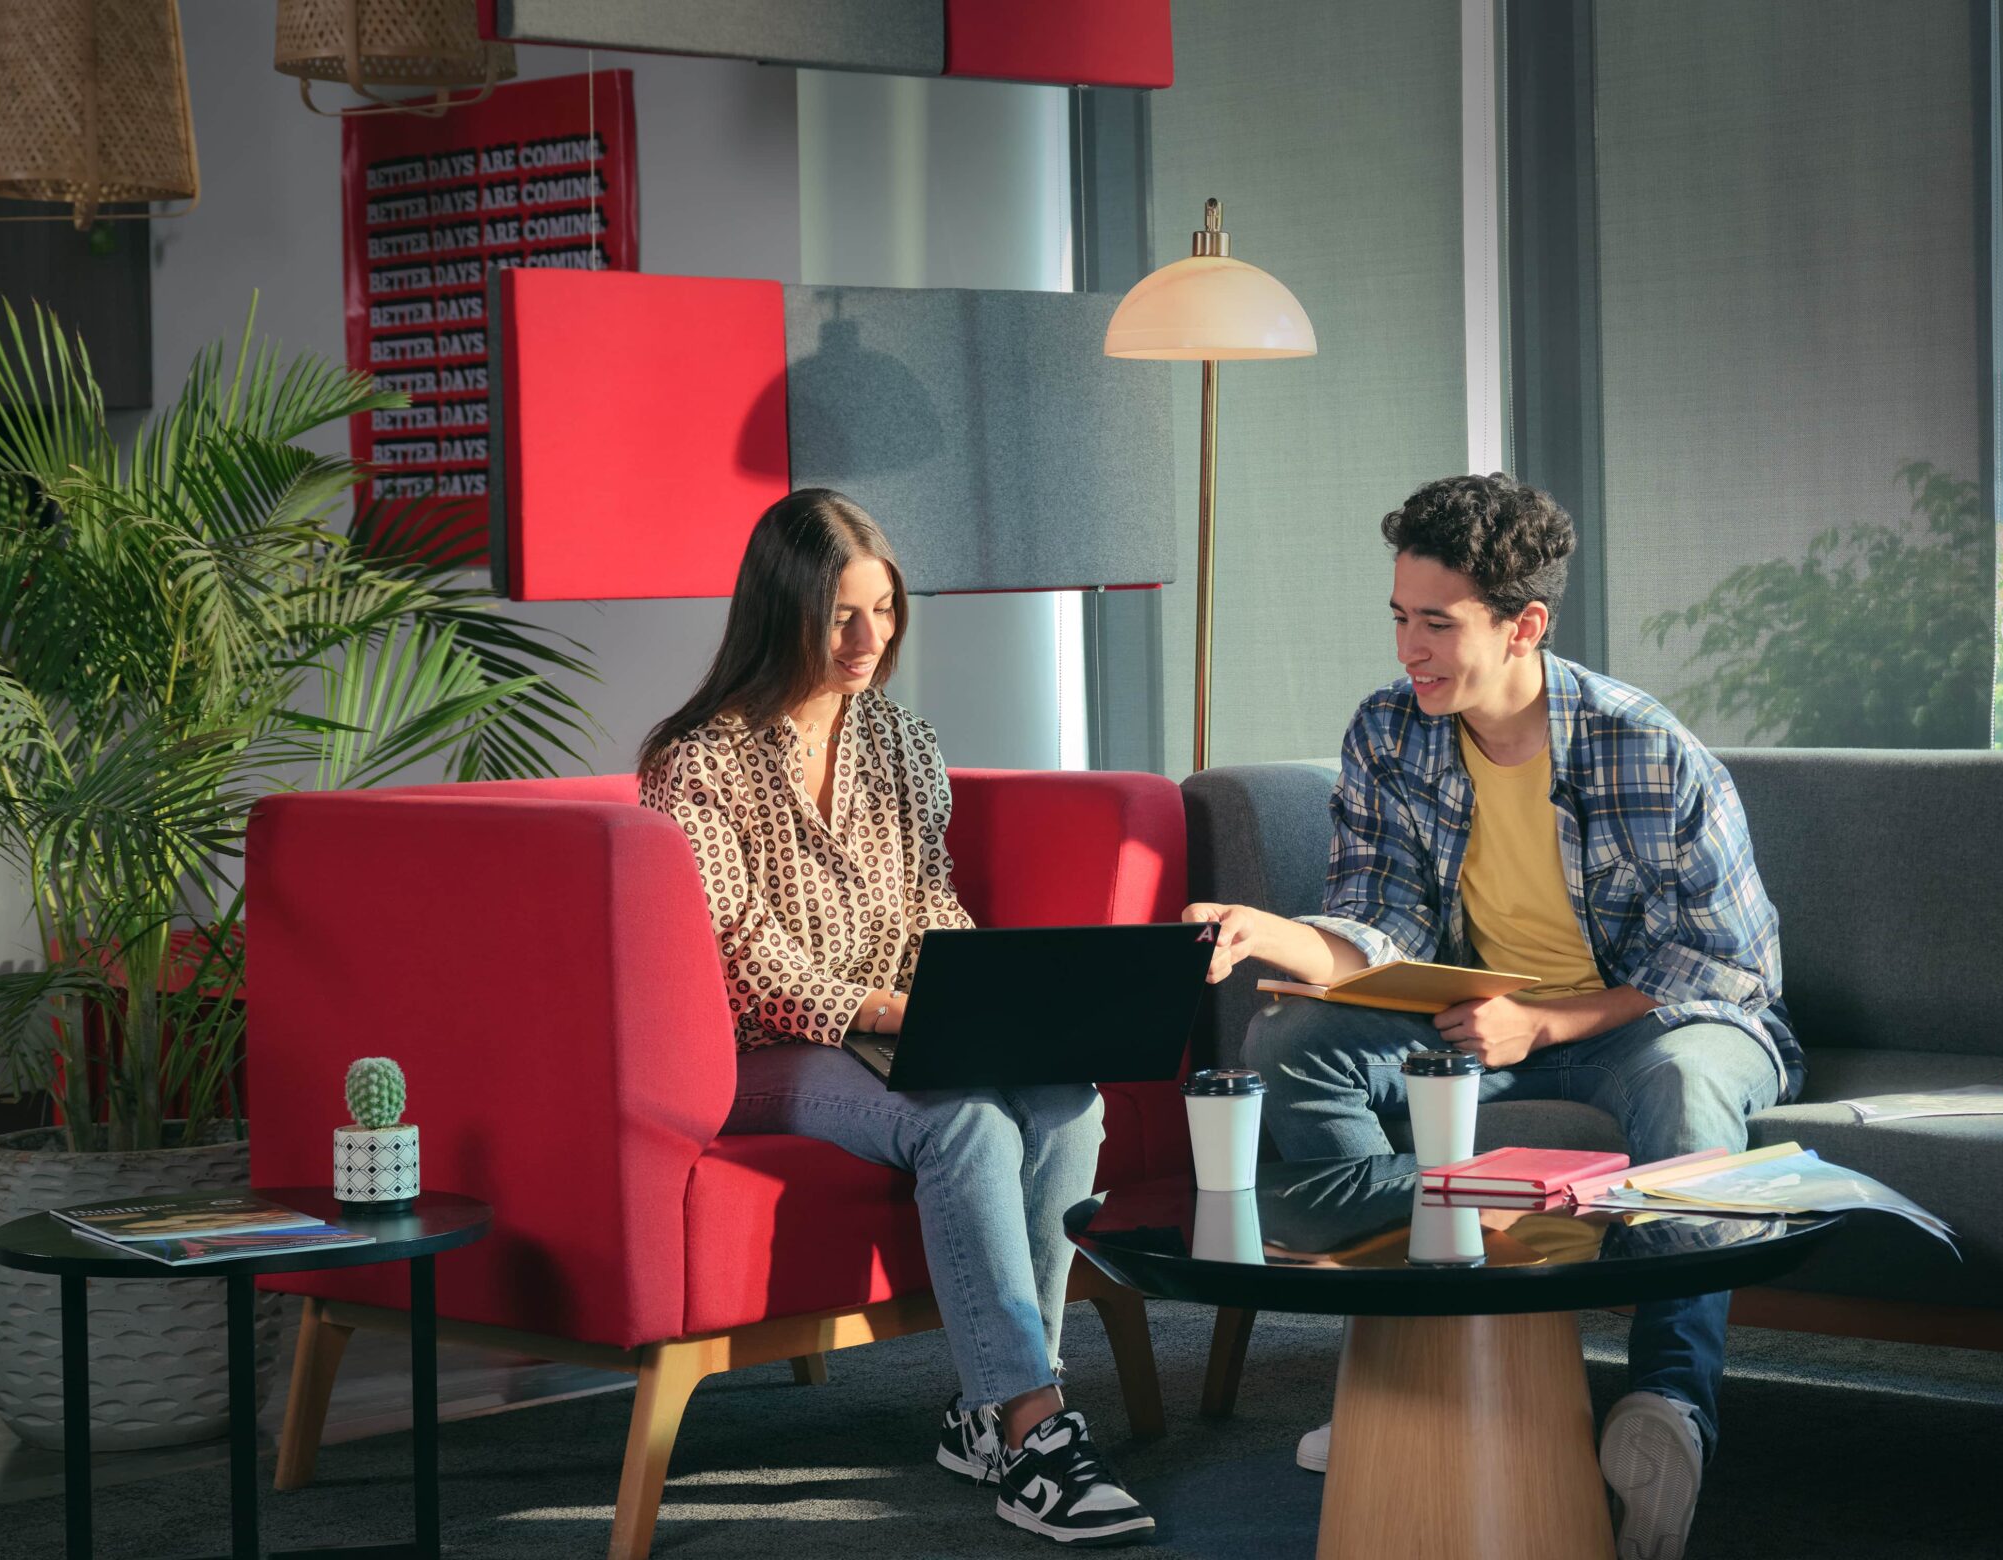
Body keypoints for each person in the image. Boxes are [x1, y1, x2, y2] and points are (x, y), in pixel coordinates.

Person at [1183, 472, 1799, 1560]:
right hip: (1475, 1025)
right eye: (1398, 619)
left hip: (1652, 1024)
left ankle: (1669, 1411)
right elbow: (1378, 926)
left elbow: (1728, 966)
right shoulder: (1388, 734)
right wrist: (1274, 934)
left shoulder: (1640, 747)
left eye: (1437, 623)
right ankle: (1414, 1360)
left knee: (1686, 1086)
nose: (1408, 649)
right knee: (1290, 1040)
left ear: (1525, 626)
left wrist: (1547, 1023)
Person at [638, 488, 1154, 1548]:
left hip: (892, 1023)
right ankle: (1032, 1428)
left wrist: (985, 997)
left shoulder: (900, 744)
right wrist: (886, 1009)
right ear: (780, 612)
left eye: (882, 610)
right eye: (840, 616)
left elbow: (928, 904)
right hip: (763, 1051)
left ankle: (993, 1418)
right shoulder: (695, 760)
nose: (869, 639)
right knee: (961, 1117)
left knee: (1065, 1097)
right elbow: (735, 958)